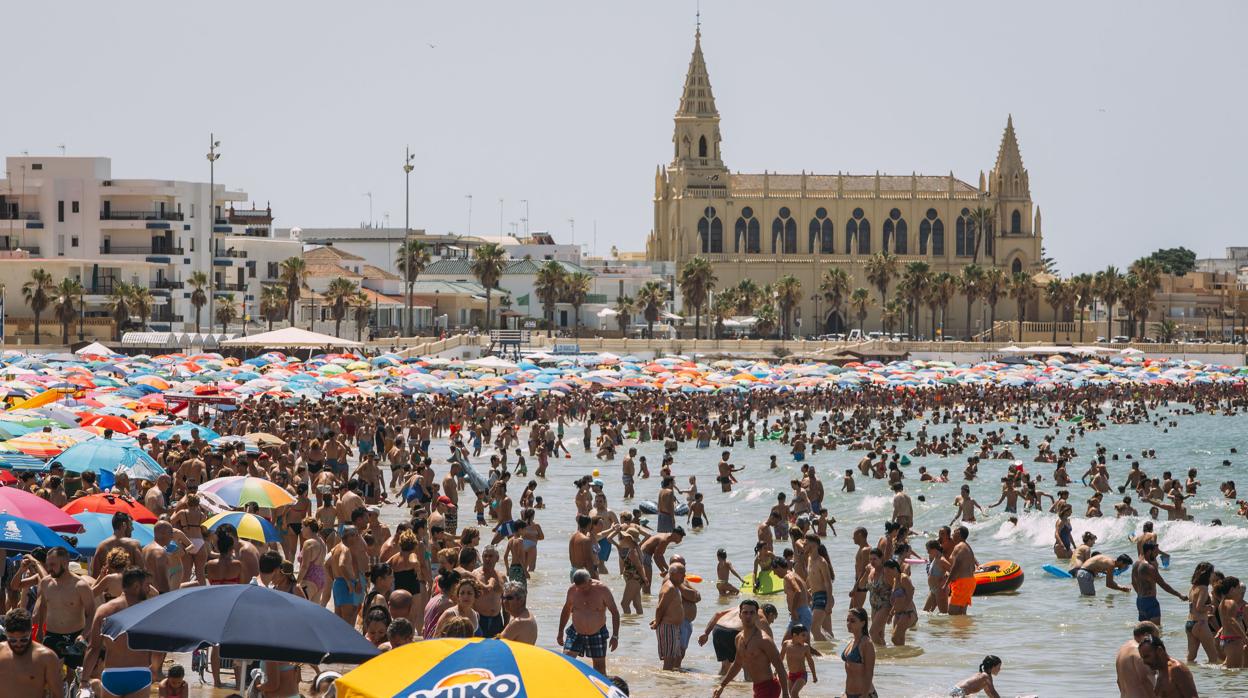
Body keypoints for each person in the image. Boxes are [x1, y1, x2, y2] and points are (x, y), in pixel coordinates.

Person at [84, 567, 155, 698]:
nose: (149, 589)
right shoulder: (148, 611)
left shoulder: (104, 610)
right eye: (147, 585)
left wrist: (83, 681)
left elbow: (93, 648)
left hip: (112, 674)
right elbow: (156, 644)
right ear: (136, 586)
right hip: (139, 673)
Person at [712, 599, 790, 698]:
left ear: (757, 615)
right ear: (740, 615)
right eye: (745, 612)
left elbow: (780, 667)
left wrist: (786, 694)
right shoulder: (738, 638)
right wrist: (722, 685)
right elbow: (737, 664)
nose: (748, 616)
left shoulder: (765, 640)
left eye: (752, 613)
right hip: (756, 687)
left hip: (769, 688)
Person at [32, 546, 95, 665]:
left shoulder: (80, 586)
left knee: (75, 674)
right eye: (48, 564)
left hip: (75, 635)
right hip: (51, 635)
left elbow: (92, 614)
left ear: (65, 563)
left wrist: (83, 635)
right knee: (48, 675)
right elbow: (43, 607)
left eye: (53, 565)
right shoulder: (46, 583)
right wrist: (40, 629)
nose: (49, 568)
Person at [557, 569, 620, 674]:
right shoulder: (572, 590)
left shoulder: (603, 590)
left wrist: (615, 636)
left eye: (584, 587)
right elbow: (566, 610)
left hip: (597, 632)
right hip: (576, 631)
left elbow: (615, 612)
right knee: (566, 662)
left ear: (590, 581)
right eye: (579, 588)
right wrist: (560, 632)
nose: (582, 590)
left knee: (599, 669)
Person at [0, 608, 62, 698]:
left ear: (31, 632)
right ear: (6, 634)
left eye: (23, 640)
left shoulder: (46, 657)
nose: (18, 644)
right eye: (13, 640)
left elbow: (58, 694)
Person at [1131, 543, 1186, 627]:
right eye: (1156, 552)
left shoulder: (1136, 564)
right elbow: (1163, 584)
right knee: (1156, 631)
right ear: (1149, 552)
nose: (1157, 554)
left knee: (1144, 631)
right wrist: (1179, 595)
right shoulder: (1149, 567)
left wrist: (1141, 595)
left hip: (1140, 601)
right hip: (1150, 601)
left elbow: (1133, 583)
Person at [1115, 621, 1160, 698]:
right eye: (1156, 638)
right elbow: (1146, 680)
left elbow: (1118, 681)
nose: (1157, 643)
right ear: (1147, 635)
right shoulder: (1139, 652)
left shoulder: (1122, 649)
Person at [841, 608, 876, 698]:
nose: (848, 624)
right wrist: (845, 692)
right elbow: (850, 673)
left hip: (864, 695)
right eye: (847, 620)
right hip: (848, 694)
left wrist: (864, 695)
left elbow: (869, 673)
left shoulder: (866, 644)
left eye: (852, 621)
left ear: (863, 623)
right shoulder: (851, 642)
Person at [945, 526, 977, 616]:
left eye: (954, 532)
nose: (952, 534)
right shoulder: (966, 546)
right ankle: (963, 630)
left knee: (952, 614)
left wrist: (946, 583)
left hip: (962, 583)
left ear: (958, 533)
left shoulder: (959, 547)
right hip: (969, 582)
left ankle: (958, 630)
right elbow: (973, 567)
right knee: (961, 615)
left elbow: (956, 566)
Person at [781, 624, 818, 698]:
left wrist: (814, 675)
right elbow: (780, 657)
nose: (806, 638)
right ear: (795, 635)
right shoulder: (786, 644)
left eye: (806, 635)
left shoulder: (805, 647)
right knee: (792, 695)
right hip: (791, 675)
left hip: (801, 675)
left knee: (794, 692)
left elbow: (810, 661)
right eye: (803, 635)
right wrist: (776, 670)